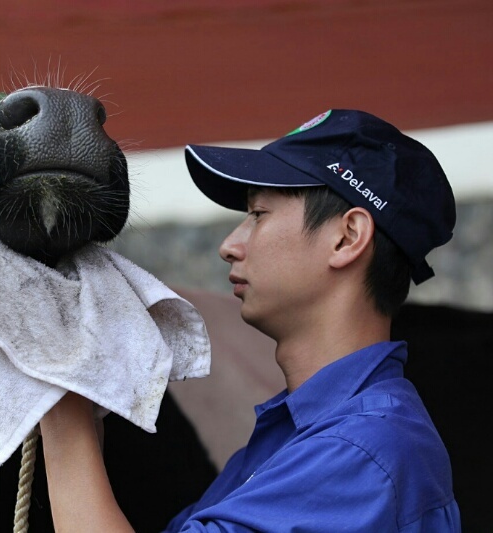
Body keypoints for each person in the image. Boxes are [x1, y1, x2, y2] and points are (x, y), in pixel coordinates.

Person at [39, 109, 461, 531]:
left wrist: (59, 398)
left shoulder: (362, 453)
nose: (229, 245)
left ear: (346, 238)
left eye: (259, 215)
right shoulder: (302, 436)